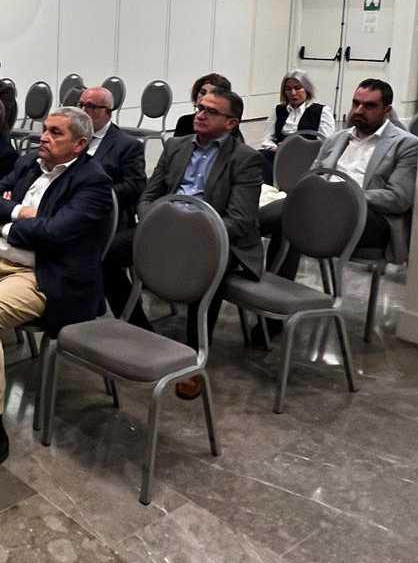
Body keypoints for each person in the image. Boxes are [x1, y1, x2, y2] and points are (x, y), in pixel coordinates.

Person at [0, 107, 112, 481]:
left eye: (56, 133)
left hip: (44, 275)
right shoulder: (29, 163)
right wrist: (20, 212)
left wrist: (6, 224)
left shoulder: (93, 183)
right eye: (45, 129)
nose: (44, 137)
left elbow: (54, 234)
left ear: (80, 144)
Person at [118, 88, 263, 399]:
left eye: (211, 111)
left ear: (231, 123)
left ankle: (193, 357)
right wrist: (155, 224)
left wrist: (190, 234)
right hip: (165, 228)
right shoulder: (176, 145)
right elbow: (148, 196)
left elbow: (239, 222)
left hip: (212, 238)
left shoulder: (245, 159)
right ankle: (143, 333)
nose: (200, 114)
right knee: (107, 255)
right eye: (200, 107)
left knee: (205, 269)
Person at [261, 78, 418, 283]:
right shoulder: (337, 139)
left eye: (369, 106)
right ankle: (274, 287)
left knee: (291, 212)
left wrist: (342, 195)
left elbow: (398, 199)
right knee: (290, 214)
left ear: (387, 111)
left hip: (369, 215)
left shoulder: (406, 144)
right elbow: (311, 176)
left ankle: (240, 239)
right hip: (323, 208)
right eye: (356, 103)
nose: (359, 111)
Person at [78, 86, 146, 218]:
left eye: (91, 106)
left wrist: (94, 194)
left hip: (103, 211)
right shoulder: (72, 137)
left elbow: (134, 186)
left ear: (108, 113)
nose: (83, 111)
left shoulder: (128, 146)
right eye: (81, 105)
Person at [257, 69, 331, 184]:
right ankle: (268, 188)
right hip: (280, 154)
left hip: (306, 157)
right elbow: (267, 139)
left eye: (297, 88)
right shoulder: (279, 110)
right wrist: (278, 149)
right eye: (288, 89)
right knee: (259, 156)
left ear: (307, 89)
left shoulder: (321, 111)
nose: (293, 93)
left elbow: (326, 143)